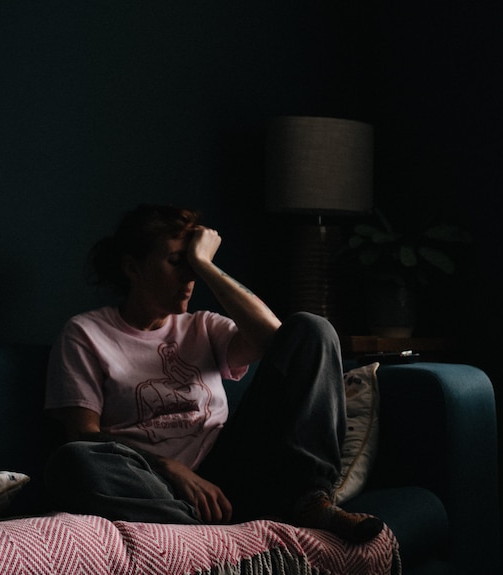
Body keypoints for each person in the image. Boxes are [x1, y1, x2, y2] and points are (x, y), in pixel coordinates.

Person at [43, 203, 384, 543]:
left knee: (313, 328)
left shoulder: (204, 326)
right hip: (154, 482)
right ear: (133, 267)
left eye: (193, 264)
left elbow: (276, 338)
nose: (189, 277)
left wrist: (205, 264)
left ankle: (310, 501)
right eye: (178, 262)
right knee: (73, 461)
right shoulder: (85, 334)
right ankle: (214, 538)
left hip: (234, 470)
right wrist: (169, 468)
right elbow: (83, 434)